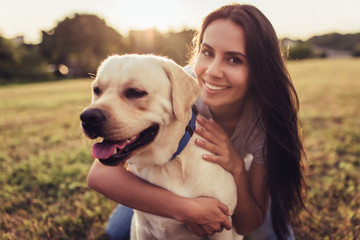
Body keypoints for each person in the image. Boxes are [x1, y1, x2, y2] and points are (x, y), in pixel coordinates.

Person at [87, 3, 306, 240]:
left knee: (269, 234)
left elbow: (246, 224)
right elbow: (99, 175)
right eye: (208, 52)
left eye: (234, 60)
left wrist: (237, 167)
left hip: (241, 189)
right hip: (162, 183)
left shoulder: (263, 119)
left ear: (258, 70)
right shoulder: (181, 85)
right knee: (116, 232)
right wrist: (187, 210)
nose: (212, 71)